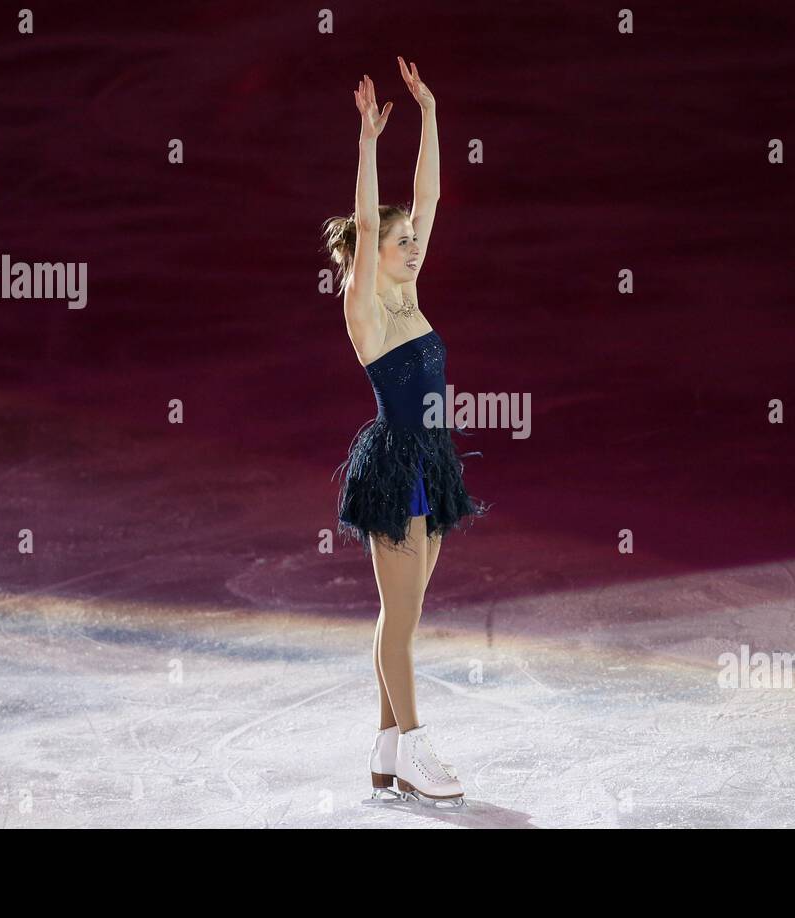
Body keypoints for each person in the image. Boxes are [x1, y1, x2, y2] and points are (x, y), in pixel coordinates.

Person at [323, 59, 488, 806]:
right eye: (402, 242)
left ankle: (386, 748)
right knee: (401, 616)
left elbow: (429, 195)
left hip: (433, 460)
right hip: (395, 466)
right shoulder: (365, 308)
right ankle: (416, 748)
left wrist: (428, 111)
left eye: (415, 239)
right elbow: (367, 222)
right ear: (374, 253)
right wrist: (367, 141)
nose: (414, 245)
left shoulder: (409, 292)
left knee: (406, 612)